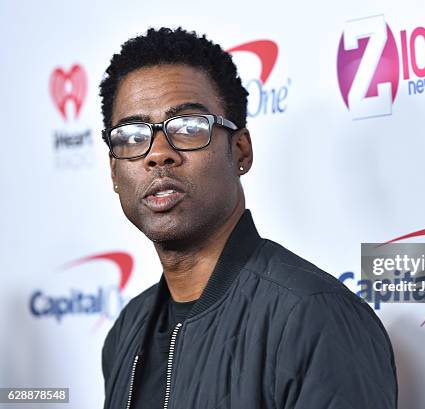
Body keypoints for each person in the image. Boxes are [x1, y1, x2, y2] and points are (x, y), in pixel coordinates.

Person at [99, 27, 397, 409]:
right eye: (133, 136)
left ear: (240, 150)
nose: (158, 154)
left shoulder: (312, 315)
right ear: (113, 171)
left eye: (189, 128)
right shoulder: (128, 329)